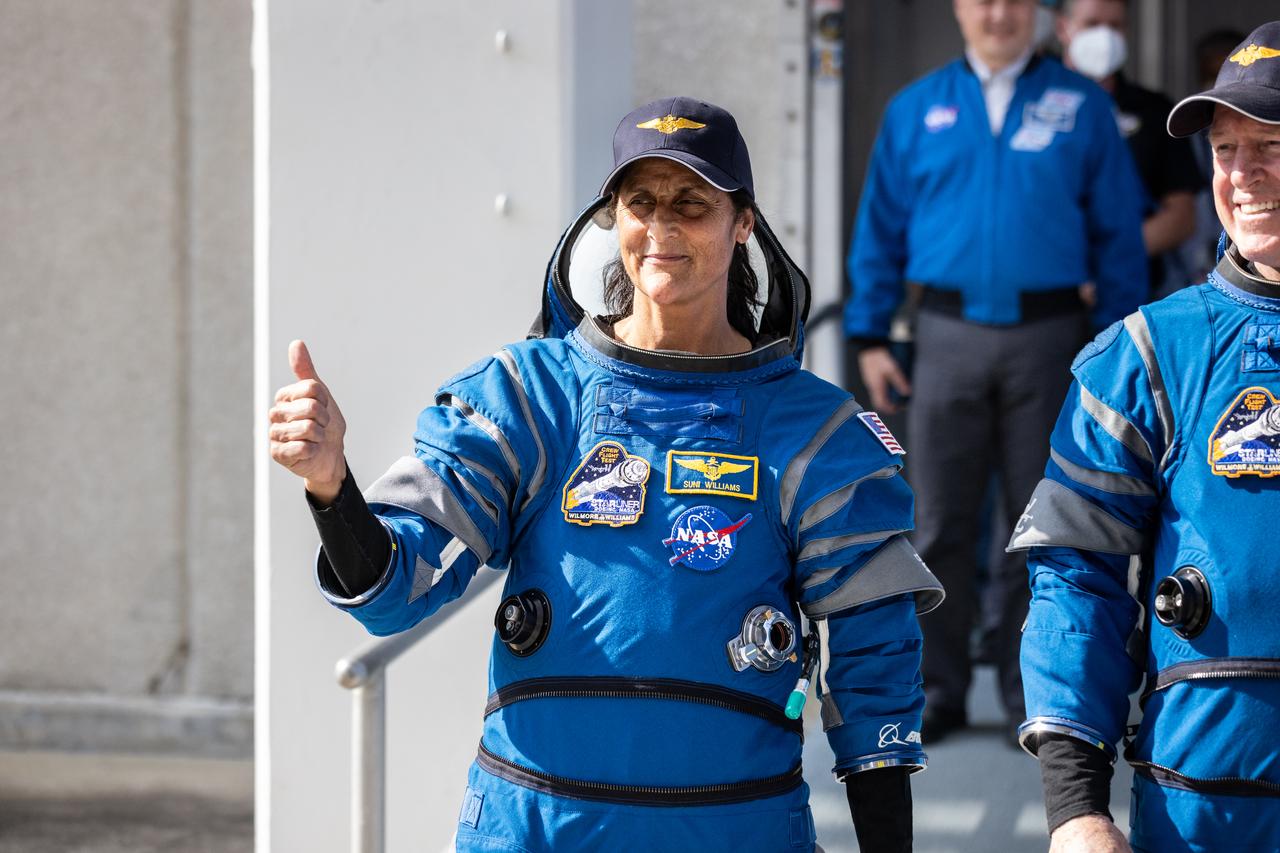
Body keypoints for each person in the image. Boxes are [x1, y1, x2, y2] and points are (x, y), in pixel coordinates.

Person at [269, 96, 943, 851]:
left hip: (735, 829)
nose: (662, 227)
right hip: (535, 829)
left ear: (743, 224)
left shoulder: (815, 430)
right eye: (640, 201)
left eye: (693, 202)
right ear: (610, 220)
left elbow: (874, 671)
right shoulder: (528, 397)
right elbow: (397, 594)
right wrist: (331, 485)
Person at [844, 0, 1147, 744]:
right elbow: (879, 226)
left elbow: (1117, 232)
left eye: (1016, 0)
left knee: (1041, 521)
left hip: (1051, 338)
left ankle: (1032, 694)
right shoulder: (917, 107)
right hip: (944, 334)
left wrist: (1114, 348)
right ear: (959, 9)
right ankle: (939, 688)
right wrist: (870, 334)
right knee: (940, 519)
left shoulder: (1081, 107)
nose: (1000, 12)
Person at [1011, 21, 1280, 851]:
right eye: (1227, 148)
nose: (1242, 174)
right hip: (1205, 819)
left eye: (1271, 143)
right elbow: (1075, 582)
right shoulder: (1148, 355)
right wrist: (1077, 807)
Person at [1056, 0, 1202, 299]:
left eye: (1115, 26)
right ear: (1063, 27)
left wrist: (1108, 260)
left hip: (1136, 296)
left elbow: (1182, 217)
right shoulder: (1029, 105)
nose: (1104, 36)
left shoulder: (1156, 111)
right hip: (1049, 298)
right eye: (1092, 24)